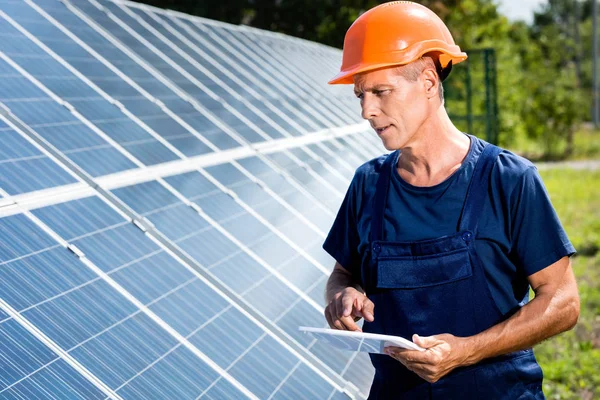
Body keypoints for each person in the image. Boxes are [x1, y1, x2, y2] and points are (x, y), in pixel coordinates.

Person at [322, 2, 580, 399]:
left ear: (428, 81)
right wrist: (341, 294)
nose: (367, 111)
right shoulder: (368, 184)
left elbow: (562, 303)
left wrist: (467, 351)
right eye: (360, 95)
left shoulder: (509, 179)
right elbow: (343, 273)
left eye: (381, 92)